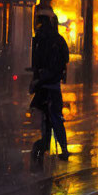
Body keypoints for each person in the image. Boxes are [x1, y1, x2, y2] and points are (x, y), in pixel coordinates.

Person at [30, 9, 70, 161]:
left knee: (47, 118)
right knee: (56, 117)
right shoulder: (58, 40)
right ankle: (62, 148)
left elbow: (35, 62)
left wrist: (37, 79)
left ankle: (44, 146)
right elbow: (64, 61)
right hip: (52, 86)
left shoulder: (40, 39)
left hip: (44, 86)